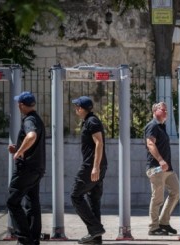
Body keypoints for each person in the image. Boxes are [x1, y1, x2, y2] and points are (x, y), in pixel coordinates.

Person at [7, 91, 46, 245]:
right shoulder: (37, 119)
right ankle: (33, 238)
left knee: (12, 202)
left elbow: (31, 136)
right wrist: (17, 148)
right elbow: (33, 142)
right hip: (37, 169)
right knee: (32, 203)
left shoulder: (29, 120)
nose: (18, 105)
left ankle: (24, 237)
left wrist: (19, 152)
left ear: (22, 105)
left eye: (19, 103)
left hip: (26, 169)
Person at [70, 96, 108, 244]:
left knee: (75, 195)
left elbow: (99, 143)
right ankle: (96, 238)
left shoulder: (92, 121)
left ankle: (95, 229)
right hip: (95, 166)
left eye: (77, 107)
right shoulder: (89, 121)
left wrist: (95, 167)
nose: (75, 109)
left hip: (91, 166)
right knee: (93, 200)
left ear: (81, 108)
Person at [144, 102, 180, 235]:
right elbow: (150, 144)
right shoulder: (152, 126)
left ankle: (164, 222)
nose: (166, 112)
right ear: (154, 111)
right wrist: (160, 160)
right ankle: (153, 228)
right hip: (156, 168)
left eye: (167, 110)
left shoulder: (161, 126)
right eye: (163, 110)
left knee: (176, 192)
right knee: (157, 198)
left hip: (167, 168)